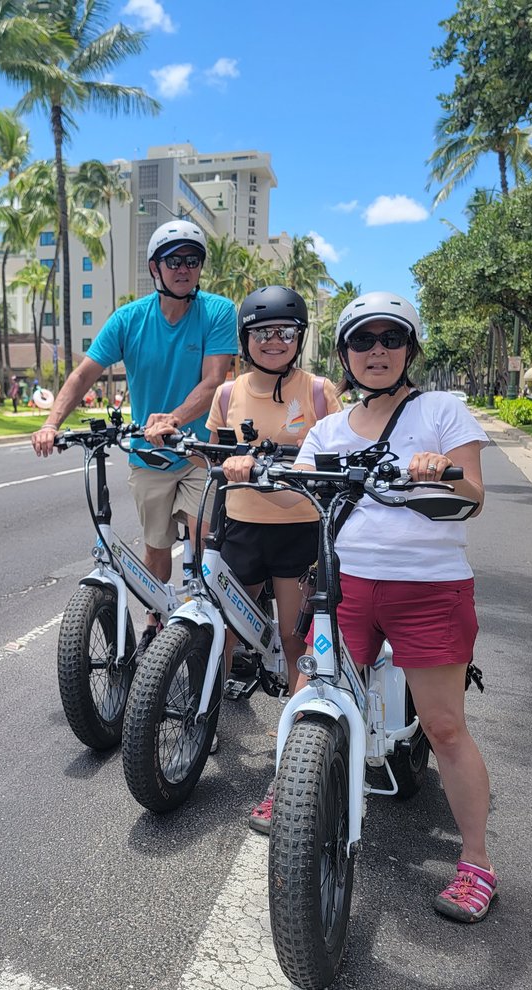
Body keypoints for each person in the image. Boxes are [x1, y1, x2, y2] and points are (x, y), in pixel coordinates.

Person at [232, 291, 493, 923]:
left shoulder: (441, 410)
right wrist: (253, 472)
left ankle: (477, 863)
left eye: (390, 339)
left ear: (409, 349)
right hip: (345, 584)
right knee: (308, 691)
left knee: (445, 726)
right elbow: (298, 492)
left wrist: (441, 470)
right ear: (345, 354)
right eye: (363, 341)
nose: (377, 351)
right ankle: (288, 786)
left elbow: (474, 496)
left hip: (428, 588)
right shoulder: (327, 429)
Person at [32, 219, 235, 658]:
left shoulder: (217, 311)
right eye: (173, 260)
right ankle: (155, 620)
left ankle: (206, 625)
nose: (184, 269)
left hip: (199, 453)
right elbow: (83, 375)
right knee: (156, 548)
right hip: (148, 456)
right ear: (154, 268)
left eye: (192, 260)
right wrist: (51, 423)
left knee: (202, 539)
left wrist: (174, 419)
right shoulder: (129, 319)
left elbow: (214, 381)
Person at [212, 286, 340, 783]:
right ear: (246, 339)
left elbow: (339, 455)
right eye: (262, 332)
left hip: (299, 530)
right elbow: (214, 454)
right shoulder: (228, 393)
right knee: (224, 630)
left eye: (285, 332)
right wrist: (231, 459)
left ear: (299, 338)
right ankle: (204, 717)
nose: (274, 341)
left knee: (293, 637)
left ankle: (296, 743)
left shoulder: (318, 391)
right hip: (240, 526)